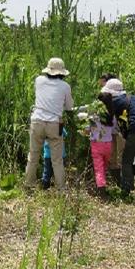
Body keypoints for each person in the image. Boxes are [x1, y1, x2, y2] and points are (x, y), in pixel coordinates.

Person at [24, 58, 74, 191]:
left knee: (33, 156)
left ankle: (28, 185)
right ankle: (61, 188)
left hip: (37, 121)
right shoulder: (65, 86)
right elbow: (69, 108)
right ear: (62, 72)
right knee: (57, 160)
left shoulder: (39, 80)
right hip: (54, 123)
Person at [84, 92, 117, 199]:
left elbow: (87, 130)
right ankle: (103, 186)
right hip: (108, 145)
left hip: (96, 144)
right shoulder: (112, 116)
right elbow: (114, 130)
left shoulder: (93, 115)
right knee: (104, 166)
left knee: (99, 168)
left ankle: (101, 191)